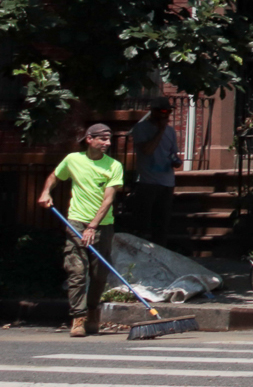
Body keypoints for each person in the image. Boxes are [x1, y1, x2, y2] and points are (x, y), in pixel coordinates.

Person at [38, 124, 124, 338]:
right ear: (89, 139)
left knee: (98, 274)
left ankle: (93, 310)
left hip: (102, 225)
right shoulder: (72, 160)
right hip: (76, 221)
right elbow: (55, 176)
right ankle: (78, 317)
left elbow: (109, 199)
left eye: (109, 139)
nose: (108, 143)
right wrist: (46, 191)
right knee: (76, 271)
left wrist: (93, 226)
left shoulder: (114, 166)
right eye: (103, 139)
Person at [131, 103, 179, 247]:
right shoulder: (141, 128)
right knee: (144, 221)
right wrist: (160, 130)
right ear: (153, 112)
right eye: (162, 111)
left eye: (168, 112)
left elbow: (172, 153)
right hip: (147, 181)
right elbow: (147, 150)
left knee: (162, 222)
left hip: (167, 181)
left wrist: (175, 161)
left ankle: (161, 249)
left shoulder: (171, 131)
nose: (165, 115)